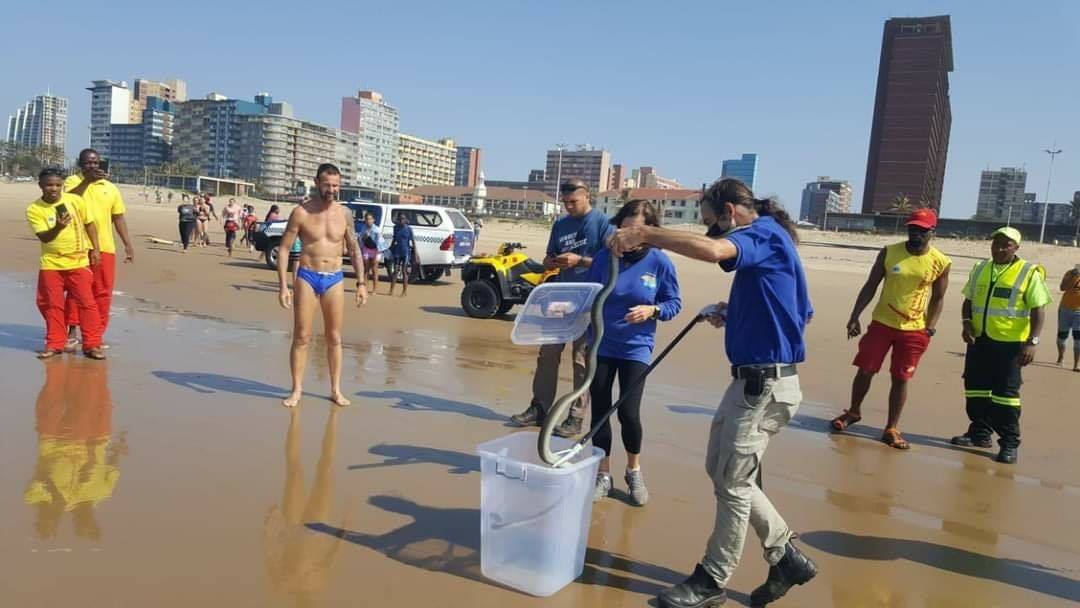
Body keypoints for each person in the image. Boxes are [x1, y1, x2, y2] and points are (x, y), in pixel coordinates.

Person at [610, 178, 816, 608]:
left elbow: (712, 252)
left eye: (713, 224)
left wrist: (646, 233)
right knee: (720, 469)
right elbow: (799, 311)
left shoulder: (762, 234)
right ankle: (785, 556)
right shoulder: (773, 246)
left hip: (765, 384)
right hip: (750, 381)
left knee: (733, 484)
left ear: (730, 212)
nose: (712, 234)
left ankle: (710, 580)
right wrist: (734, 311)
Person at [585, 200, 681, 506]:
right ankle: (603, 473)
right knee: (600, 411)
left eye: (638, 229)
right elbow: (587, 294)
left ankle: (633, 470)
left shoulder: (659, 262)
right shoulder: (604, 258)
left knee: (628, 413)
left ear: (649, 232)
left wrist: (652, 309)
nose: (629, 234)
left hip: (636, 348)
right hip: (601, 342)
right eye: (626, 227)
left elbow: (673, 303)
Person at [831, 208, 951, 449]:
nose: (915, 234)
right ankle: (853, 412)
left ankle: (892, 427)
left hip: (914, 329)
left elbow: (938, 298)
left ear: (932, 232)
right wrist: (855, 316)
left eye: (921, 231)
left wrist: (930, 328)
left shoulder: (941, 262)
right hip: (882, 324)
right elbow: (871, 285)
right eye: (912, 229)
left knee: (900, 377)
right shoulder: (889, 252)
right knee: (865, 370)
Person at [510, 178, 614, 437]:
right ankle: (540, 407)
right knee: (547, 355)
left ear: (587, 196)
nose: (568, 206)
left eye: (573, 202)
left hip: (590, 301)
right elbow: (549, 258)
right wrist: (550, 261)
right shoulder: (559, 225)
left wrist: (581, 260)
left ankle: (576, 418)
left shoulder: (602, 223)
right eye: (565, 202)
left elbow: (611, 263)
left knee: (581, 361)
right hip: (561, 297)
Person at [950, 227, 1051, 464]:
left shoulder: (1028, 272)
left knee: (1006, 397)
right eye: (996, 243)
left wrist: (1032, 342)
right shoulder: (980, 268)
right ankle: (979, 433)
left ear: (1016, 247)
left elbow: (1039, 310)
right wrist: (966, 324)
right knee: (975, 390)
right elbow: (969, 300)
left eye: (1006, 244)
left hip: (1010, 346)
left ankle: (1009, 444)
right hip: (979, 341)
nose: (1000, 248)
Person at [277, 163, 368, 408]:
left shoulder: (345, 214)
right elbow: (284, 249)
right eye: (327, 185)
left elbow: (354, 249)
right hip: (307, 276)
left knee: (335, 337)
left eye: (336, 185)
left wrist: (361, 283)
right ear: (317, 182)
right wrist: (283, 285)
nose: (331, 190)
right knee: (302, 336)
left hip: (334, 278)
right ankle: (296, 390)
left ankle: (336, 390)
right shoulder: (301, 212)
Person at [26, 168, 105, 360]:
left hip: (78, 261)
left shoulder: (75, 201)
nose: (53, 189)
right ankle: (55, 344)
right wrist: (58, 227)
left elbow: (90, 224)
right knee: (53, 305)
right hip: (51, 264)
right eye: (49, 185)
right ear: (41, 186)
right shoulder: (34, 209)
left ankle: (92, 345)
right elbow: (44, 237)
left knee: (87, 304)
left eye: (57, 185)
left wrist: (95, 249)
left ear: (62, 185)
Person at [62, 149, 135, 351]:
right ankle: (72, 331)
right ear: (80, 163)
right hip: (77, 247)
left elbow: (118, 217)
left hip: (105, 247)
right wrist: (86, 181)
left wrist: (127, 244)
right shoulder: (71, 182)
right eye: (87, 163)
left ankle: (95, 335)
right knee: (77, 291)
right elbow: (66, 202)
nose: (92, 166)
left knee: (102, 292)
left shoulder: (110, 188)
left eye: (95, 163)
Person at [1056, 265, 1080, 371]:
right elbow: (1062, 288)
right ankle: (1061, 357)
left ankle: (1076, 364)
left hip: (1079, 312)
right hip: (1065, 309)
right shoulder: (1069, 273)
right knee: (1062, 337)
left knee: (1078, 339)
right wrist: (1072, 277)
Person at [387, 213, 416, 297]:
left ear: (406, 220)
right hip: (397, 252)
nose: (401, 220)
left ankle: (404, 291)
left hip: (405, 252)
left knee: (404, 271)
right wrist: (390, 249)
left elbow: (413, 242)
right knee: (395, 271)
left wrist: (416, 254)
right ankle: (391, 290)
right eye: (400, 219)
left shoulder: (409, 229)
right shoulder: (395, 228)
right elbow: (394, 239)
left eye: (403, 219)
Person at [358, 211, 386, 294]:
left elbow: (380, 242)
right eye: (367, 219)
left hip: (376, 250)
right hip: (366, 248)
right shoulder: (363, 228)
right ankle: (365, 288)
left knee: (374, 269)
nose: (368, 221)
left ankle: (375, 289)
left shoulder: (376, 229)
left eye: (370, 219)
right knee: (366, 269)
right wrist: (364, 237)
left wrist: (377, 253)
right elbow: (361, 240)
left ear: (373, 220)